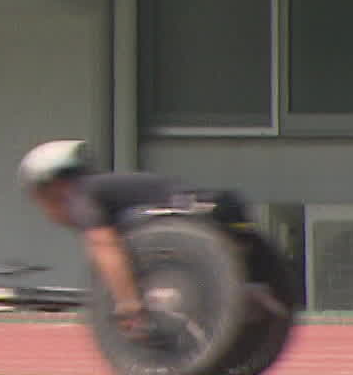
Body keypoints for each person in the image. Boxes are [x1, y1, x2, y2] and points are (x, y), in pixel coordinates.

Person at [17, 140, 257, 339]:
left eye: (40, 197)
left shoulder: (81, 196)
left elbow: (105, 246)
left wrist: (129, 306)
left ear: (53, 186)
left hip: (193, 218)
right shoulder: (101, 189)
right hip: (219, 206)